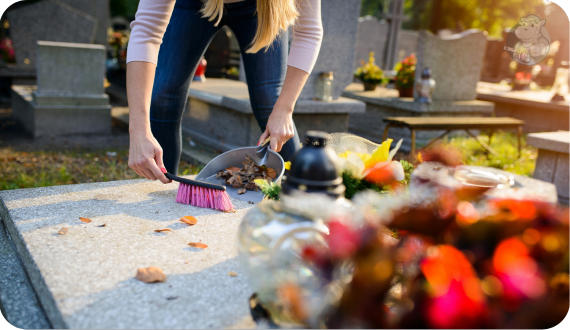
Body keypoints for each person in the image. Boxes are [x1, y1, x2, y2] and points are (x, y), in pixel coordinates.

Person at [126, 0, 323, 183]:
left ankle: (302, 187)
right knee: (162, 95)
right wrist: (138, 130)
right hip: (191, 4)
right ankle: (160, 191)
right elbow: (146, 31)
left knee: (270, 99)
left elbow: (308, 32)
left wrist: (284, 109)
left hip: (262, 7)